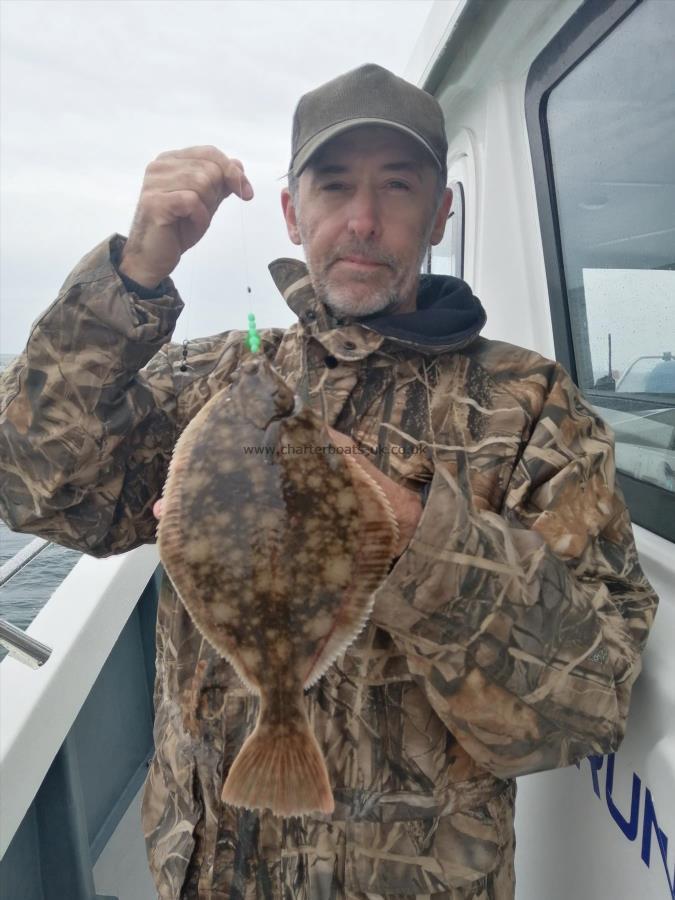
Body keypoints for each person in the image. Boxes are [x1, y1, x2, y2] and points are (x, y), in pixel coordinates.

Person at [0, 64, 659, 900]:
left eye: (397, 185)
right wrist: (132, 275)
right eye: (334, 185)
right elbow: (30, 483)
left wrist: (413, 537)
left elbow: (588, 700)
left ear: (440, 213)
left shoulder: (530, 408)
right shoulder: (220, 379)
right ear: (289, 209)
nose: (362, 219)